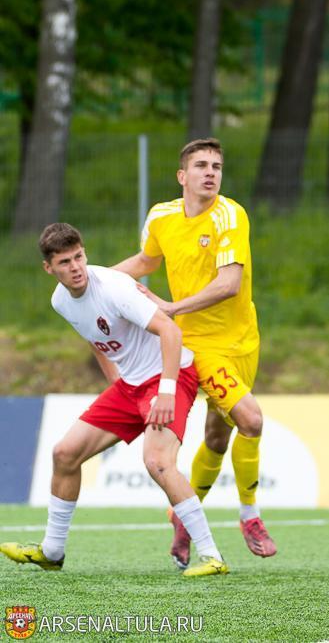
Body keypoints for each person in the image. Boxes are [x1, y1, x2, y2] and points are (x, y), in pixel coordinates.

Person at [1, 224, 227, 577]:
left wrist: (165, 391)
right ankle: (52, 552)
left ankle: (213, 557)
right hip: (131, 386)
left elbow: (170, 330)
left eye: (78, 257)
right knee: (64, 454)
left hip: (171, 375)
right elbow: (96, 339)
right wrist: (117, 384)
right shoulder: (60, 301)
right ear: (49, 268)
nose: (76, 267)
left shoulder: (114, 287)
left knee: (157, 462)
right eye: (64, 262)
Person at [114, 139, 275, 566]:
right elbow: (147, 262)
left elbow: (230, 284)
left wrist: (171, 307)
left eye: (217, 166)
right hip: (197, 347)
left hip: (243, 340)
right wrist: (96, 281)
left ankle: (183, 520)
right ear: (182, 176)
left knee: (218, 438)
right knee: (252, 419)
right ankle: (250, 516)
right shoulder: (161, 216)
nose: (211, 173)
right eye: (201, 165)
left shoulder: (230, 214)